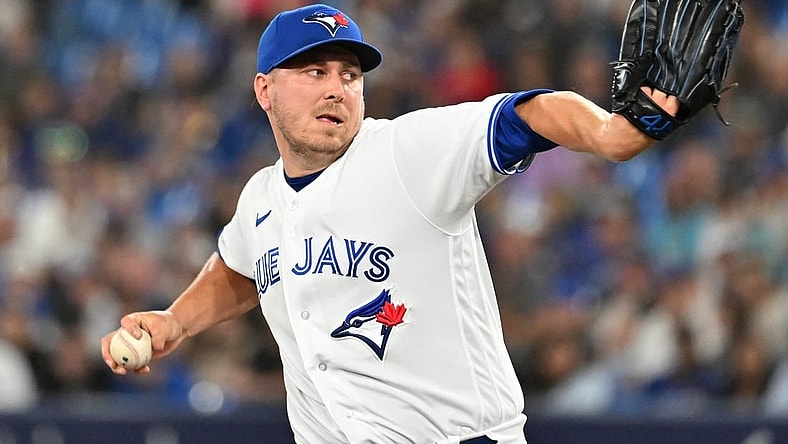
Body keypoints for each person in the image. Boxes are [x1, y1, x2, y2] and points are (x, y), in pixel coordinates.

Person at [101, 4, 679, 443]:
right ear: (264, 90)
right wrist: (176, 321)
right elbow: (241, 267)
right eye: (313, 70)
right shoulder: (260, 199)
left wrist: (607, 133)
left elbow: (527, 114)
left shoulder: (405, 150)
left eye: (349, 74)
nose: (336, 87)